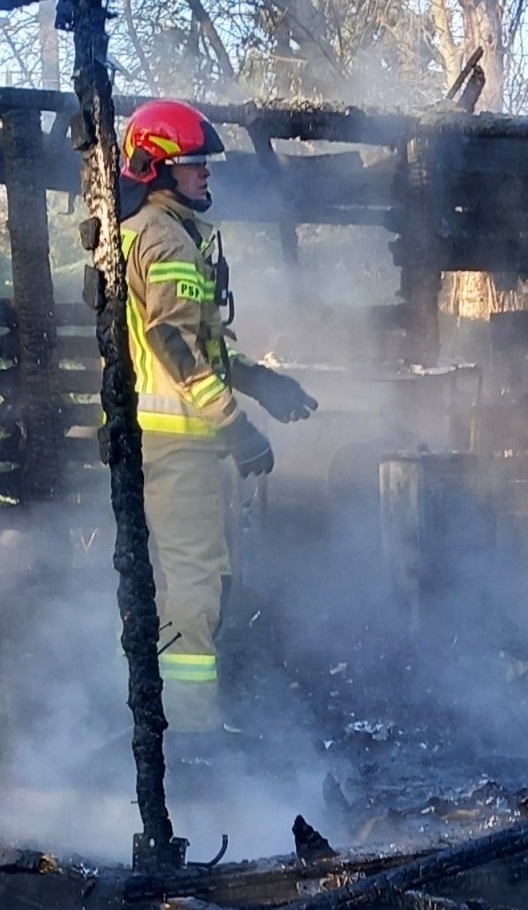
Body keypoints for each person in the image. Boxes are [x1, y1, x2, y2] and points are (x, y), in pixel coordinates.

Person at [117, 99, 318, 742]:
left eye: (205, 162)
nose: (205, 173)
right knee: (196, 588)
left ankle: (180, 724)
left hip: (181, 444)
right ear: (156, 168)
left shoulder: (168, 231)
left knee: (206, 576)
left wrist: (261, 382)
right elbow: (172, 349)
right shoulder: (164, 237)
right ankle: (193, 738)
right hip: (177, 444)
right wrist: (237, 427)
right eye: (192, 163)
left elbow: (199, 345)